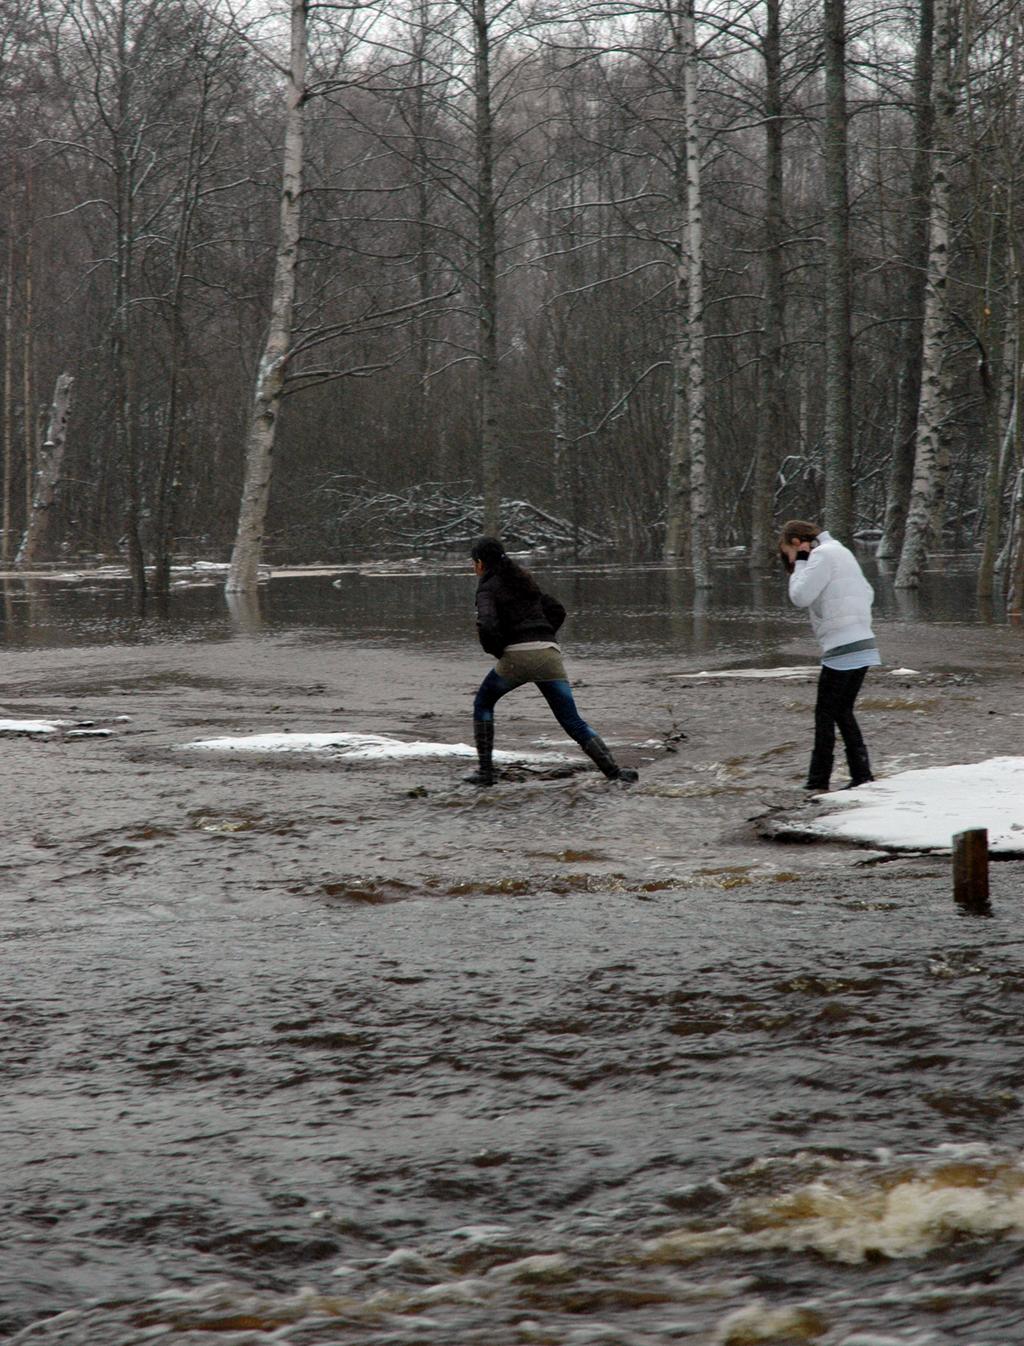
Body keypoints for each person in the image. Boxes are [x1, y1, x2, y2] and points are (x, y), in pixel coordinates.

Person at [465, 537, 638, 786]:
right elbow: (557, 610)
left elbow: (487, 624)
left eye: (474, 563)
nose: (474, 568)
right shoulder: (523, 581)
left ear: (480, 563)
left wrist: (498, 651)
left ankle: (485, 773)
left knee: (483, 703)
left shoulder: (487, 587)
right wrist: (543, 635)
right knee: (571, 720)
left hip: (516, 657)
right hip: (549, 653)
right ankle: (614, 773)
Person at [778, 520, 879, 792]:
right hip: (863, 640)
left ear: (798, 543)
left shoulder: (821, 555)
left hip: (842, 645)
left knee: (825, 714)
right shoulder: (841, 551)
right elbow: (868, 592)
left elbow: (799, 596)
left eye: (788, 552)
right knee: (842, 711)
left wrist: (800, 561)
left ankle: (817, 781)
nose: (790, 561)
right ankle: (861, 774)